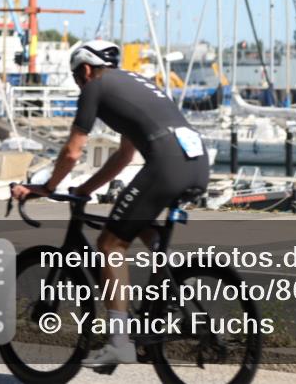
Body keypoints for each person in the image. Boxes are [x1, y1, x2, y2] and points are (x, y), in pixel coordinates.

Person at [11, 40, 209, 366]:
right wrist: (85, 188)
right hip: (197, 162)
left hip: (167, 164)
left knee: (109, 244)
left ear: (85, 70)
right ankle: (166, 305)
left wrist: (46, 187)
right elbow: (124, 155)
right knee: (139, 223)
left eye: (76, 77)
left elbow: (73, 151)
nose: (78, 84)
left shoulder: (95, 87)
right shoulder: (132, 83)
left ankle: (119, 342)